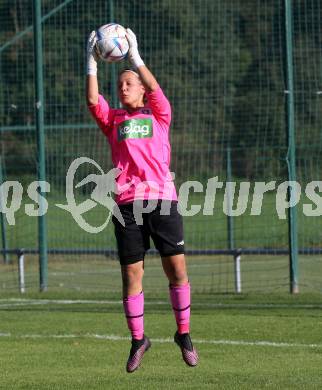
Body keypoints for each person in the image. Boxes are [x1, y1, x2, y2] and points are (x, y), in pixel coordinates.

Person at [86, 27, 198, 373]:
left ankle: (183, 334)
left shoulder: (159, 114)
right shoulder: (114, 119)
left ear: (140, 90)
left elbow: (154, 87)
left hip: (162, 199)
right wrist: (89, 61)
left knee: (176, 269)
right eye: (119, 84)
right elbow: (93, 100)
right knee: (131, 275)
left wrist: (134, 57)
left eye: (128, 83)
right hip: (127, 204)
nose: (123, 87)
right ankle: (138, 340)